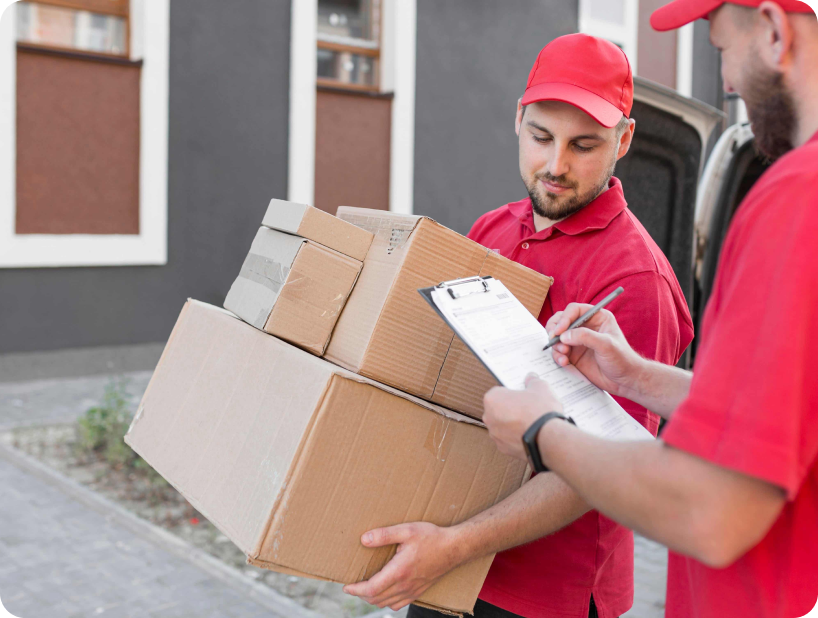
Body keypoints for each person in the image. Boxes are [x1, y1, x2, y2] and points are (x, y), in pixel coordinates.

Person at [481, 2, 818, 618]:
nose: (728, 83)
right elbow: (768, 419)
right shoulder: (493, 225)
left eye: (720, 46)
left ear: (773, 29)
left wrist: (541, 432)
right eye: (541, 137)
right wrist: (636, 375)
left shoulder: (797, 200)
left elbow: (711, 510)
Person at [343, 34, 694, 618]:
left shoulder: (636, 278)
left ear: (625, 140)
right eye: (541, 138)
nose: (556, 166)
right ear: (517, 120)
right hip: (452, 561)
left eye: (584, 146)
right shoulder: (492, 229)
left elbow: (604, 474)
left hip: (546, 594)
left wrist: (453, 544)